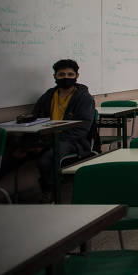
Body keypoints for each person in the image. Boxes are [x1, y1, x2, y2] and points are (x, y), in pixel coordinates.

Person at [31, 59, 96, 201]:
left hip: (73, 140)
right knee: (14, 151)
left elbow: (82, 128)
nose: (66, 78)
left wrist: (53, 140)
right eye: (61, 75)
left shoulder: (84, 98)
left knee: (46, 159)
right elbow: (35, 117)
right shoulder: (48, 96)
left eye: (70, 74)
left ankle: (50, 191)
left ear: (77, 76)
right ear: (55, 76)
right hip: (47, 138)